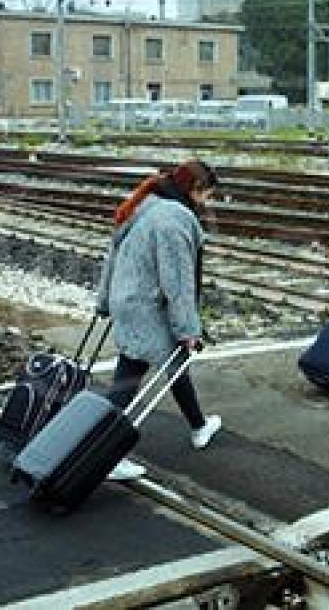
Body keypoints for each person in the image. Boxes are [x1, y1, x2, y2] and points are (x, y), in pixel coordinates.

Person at [96, 160, 223, 480]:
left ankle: (198, 426)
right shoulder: (174, 219)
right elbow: (177, 281)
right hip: (148, 307)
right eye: (208, 194)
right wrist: (189, 329)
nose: (208, 202)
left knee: (175, 362)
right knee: (128, 380)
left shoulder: (146, 204)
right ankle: (103, 454)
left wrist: (104, 302)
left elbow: (112, 254)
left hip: (129, 299)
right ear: (195, 190)